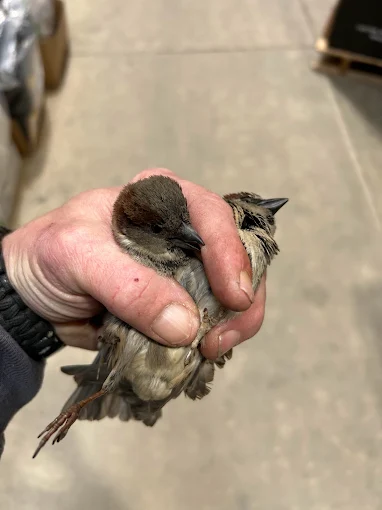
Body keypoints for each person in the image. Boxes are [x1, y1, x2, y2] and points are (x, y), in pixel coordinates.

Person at [0, 169, 266, 456]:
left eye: (185, 220)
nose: (187, 232)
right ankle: (95, 398)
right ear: (131, 228)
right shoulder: (117, 249)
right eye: (158, 231)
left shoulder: (186, 245)